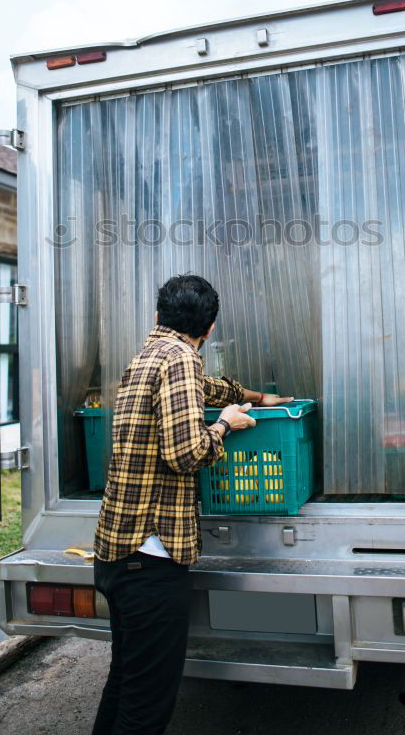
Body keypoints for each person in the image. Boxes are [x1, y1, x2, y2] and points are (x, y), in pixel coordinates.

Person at [91, 274, 293, 734]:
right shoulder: (181, 358)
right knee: (147, 705)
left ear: (159, 316)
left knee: (125, 682)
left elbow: (206, 387)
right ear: (212, 328)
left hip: (118, 553)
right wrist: (224, 426)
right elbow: (185, 453)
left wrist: (257, 398)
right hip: (151, 559)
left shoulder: (150, 355)